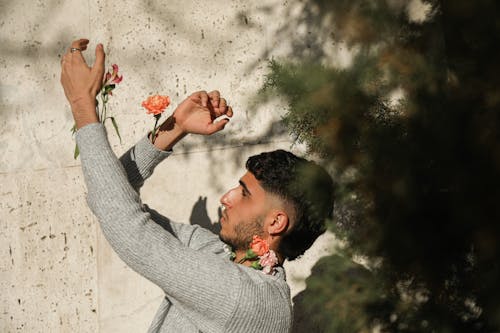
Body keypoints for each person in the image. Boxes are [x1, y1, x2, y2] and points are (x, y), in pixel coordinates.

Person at [60, 38, 334, 333]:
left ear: (276, 221)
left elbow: (128, 228)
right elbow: (111, 199)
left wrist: (82, 105)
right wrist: (174, 128)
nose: (226, 198)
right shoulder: (221, 254)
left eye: (244, 193)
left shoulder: (250, 299)